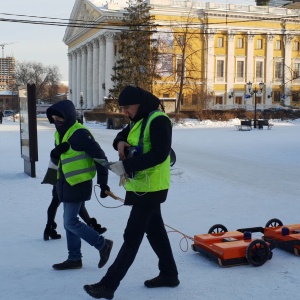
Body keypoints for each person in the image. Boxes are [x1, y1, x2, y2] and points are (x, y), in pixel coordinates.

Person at [84, 86, 179, 299]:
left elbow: (160, 154)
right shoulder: (138, 120)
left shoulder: (158, 120)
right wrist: (120, 143)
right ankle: (169, 274)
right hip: (142, 187)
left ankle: (108, 285)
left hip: (152, 187)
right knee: (155, 231)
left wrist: (128, 166)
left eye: (127, 107)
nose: (125, 112)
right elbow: (121, 135)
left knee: (132, 236)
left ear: (139, 103)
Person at [46, 99, 113, 270]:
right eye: (53, 118)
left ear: (68, 117)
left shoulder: (79, 133)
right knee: (70, 221)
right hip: (65, 183)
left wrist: (103, 183)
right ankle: (74, 258)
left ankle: (102, 244)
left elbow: (100, 158)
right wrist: (54, 158)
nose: (56, 121)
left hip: (79, 183)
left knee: (70, 222)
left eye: (59, 118)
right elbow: (61, 160)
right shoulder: (60, 134)